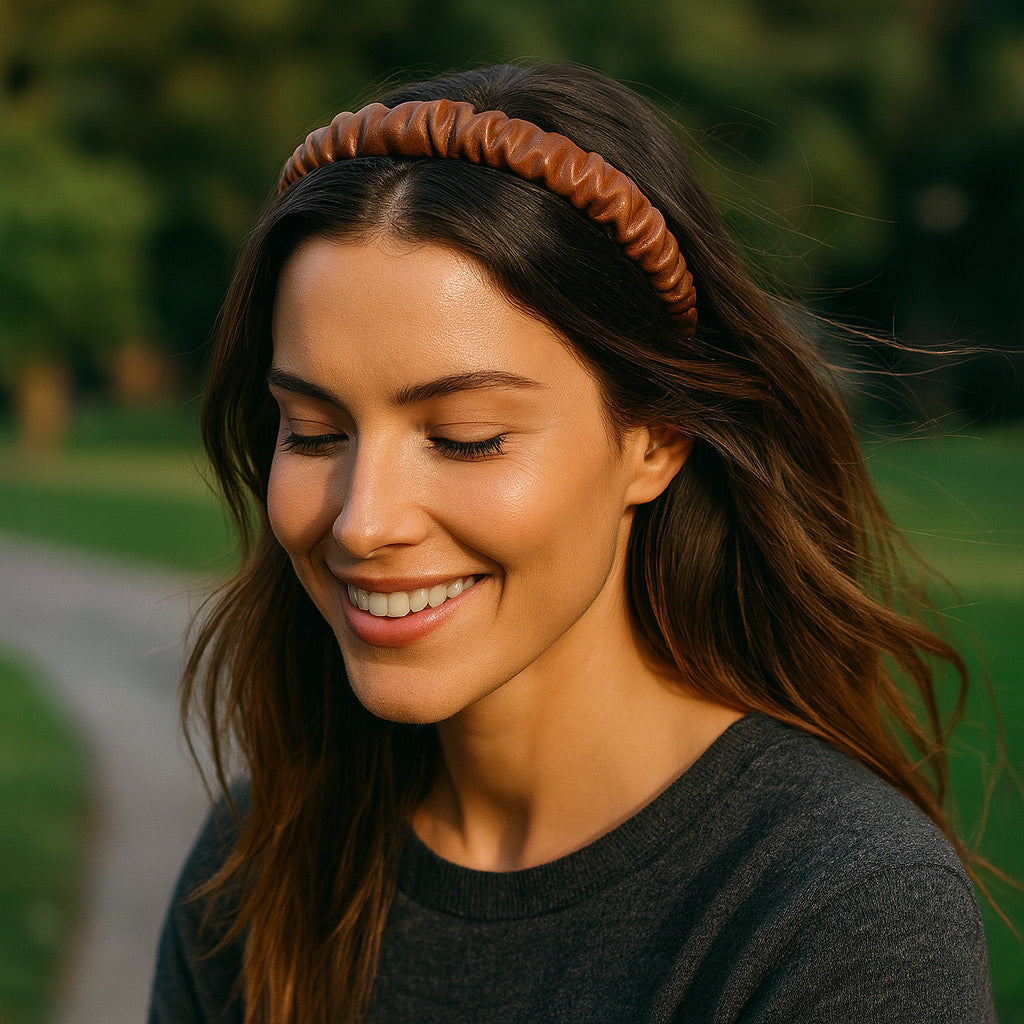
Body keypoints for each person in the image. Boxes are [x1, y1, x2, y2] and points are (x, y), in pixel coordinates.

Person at [149, 63, 997, 1024]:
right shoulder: (259, 859)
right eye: (313, 432)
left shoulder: (839, 912)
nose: (362, 521)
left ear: (655, 439)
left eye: (466, 437)